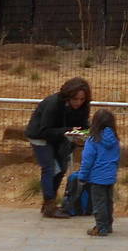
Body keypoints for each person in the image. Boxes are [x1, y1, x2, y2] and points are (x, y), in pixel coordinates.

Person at [26, 77, 91, 219]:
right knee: (50, 167)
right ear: (68, 96)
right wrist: (67, 131)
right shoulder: (53, 104)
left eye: (81, 99)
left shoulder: (83, 107)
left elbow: (83, 125)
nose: (78, 103)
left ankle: (50, 201)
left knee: (61, 168)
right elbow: (44, 130)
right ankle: (49, 204)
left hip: (60, 137)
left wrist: (84, 133)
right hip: (40, 137)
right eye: (75, 99)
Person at [75, 107, 122, 237]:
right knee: (108, 201)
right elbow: (117, 157)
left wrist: (82, 176)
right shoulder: (115, 140)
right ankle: (108, 224)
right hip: (110, 176)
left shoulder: (93, 140)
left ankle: (101, 227)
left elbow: (87, 160)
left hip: (97, 177)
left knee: (99, 203)